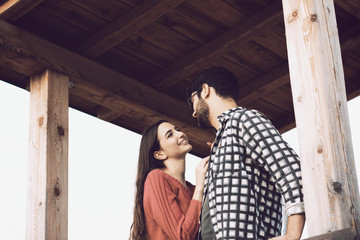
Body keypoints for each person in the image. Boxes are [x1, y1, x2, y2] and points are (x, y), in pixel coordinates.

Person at [187, 67, 305, 240]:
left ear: (204, 90)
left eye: (192, 102)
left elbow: (292, 170)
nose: (193, 112)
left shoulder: (243, 120)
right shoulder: (224, 138)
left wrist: (293, 233)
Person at [129, 120, 209, 240]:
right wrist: (200, 187)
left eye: (177, 129)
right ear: (159, 154)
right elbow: (183, 236)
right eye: (170, 135)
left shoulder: (192, 189)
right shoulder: (156, 178)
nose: (180, 134)